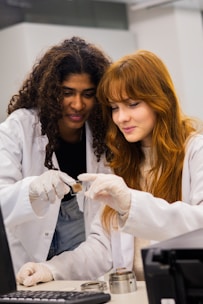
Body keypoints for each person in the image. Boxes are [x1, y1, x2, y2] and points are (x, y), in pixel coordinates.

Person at [17, 49, 203, 286]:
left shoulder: (196, 151)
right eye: (114, 108)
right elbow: (102, 248)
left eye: (132, 104)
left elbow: (199, 227)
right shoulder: (121, 162)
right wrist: (51, 269)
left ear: (161, 101)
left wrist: (130, 204)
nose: (121, 117)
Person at [0, 36, 113, 275]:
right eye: (67, 92)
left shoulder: (105, 135)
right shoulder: (19, 128)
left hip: (83, 253)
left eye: (88, 93)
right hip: (25, 250)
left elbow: (103, 229)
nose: (78, 104)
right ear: (51, 91)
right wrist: (31, 190)